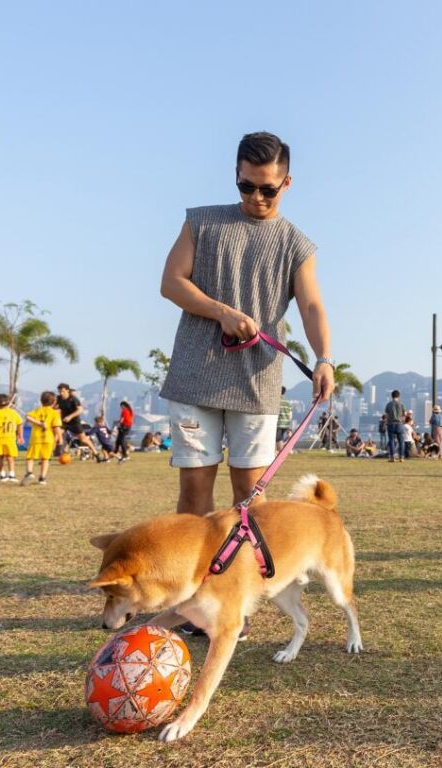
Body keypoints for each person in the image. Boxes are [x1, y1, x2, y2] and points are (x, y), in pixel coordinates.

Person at [159, 132, 334, 518]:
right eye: (246, 186)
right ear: (236, 174)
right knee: (193, 495)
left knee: (250, 499)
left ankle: (249, 579)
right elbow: (171, 282)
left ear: (287, 183)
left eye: (268, 190)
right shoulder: (201, 222)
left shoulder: (296, 245)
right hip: (194, 376)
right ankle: (198, 578)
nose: (256, 197)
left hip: (257, 380)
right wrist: (221, 312)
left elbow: (311, 305)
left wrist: (324, 358)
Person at [21, 391, 63, 485]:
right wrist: (60, 439)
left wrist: (38, 423)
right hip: (48, 439)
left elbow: (27, 417)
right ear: (54, 402)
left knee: (30, 457)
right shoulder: (55, 413)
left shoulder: (37, 410)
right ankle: (42, 478)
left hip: (36, 438)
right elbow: (57, 427)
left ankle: (29, 472)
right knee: (45, 459)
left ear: (41, 401)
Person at [56, 383, 97, 461]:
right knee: (56, 436)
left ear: (67, 391)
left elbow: (80, 410)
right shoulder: (58, 398)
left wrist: (70, 416)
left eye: (63, 391)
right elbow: (54, 407)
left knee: (83, 439)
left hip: (74, 422)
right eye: (60, 391)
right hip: (64, 422)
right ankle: (47, 457)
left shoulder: (73, 399)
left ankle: (96, 453)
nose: (61, 393)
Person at [0, 394, 24, 482]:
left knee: (0, 457)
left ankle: (2, 474)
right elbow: (20, 423)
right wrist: (20, 436)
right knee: (10, 457)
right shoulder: (14, 412)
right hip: (10, 438)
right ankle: (11, 474)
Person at [384, 390, 406, 462]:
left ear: (392, 396)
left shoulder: (388, 404)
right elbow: (404, 415)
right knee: (401, 442)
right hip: (400, 424)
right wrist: (402, 421)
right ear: (398, 396)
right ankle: (401, 457)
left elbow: (387, 416)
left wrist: (386, 423)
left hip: (391, 424)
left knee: (391, 441)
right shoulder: (401, 404)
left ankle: (392, 457)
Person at [276, 386, 293, 451]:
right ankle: (287, 449)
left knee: (278, 439)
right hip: (286, 423)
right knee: (282, 437)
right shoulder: (288, 401)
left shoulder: (276, 401)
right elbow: (290, 415)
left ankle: (280, 453)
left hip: (279, 423)